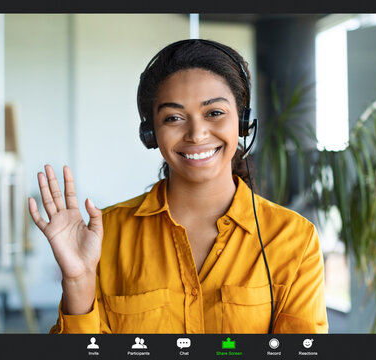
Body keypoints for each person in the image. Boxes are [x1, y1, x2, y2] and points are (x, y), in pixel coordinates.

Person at [28, 39, 328, 334]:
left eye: (214, 113)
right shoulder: (103, 236)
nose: (197, 134)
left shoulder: (294, 240)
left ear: (243, 122)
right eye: (174, 117)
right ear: (151, 134)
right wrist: (78, 282)